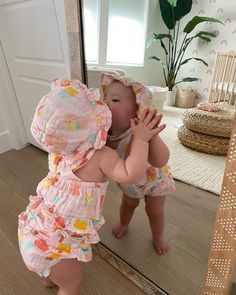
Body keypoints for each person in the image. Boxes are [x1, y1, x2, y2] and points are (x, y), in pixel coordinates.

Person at [18, 78, 161, 295]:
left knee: (54, 271)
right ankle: (60, 282)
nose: (105, 105)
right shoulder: (102, 156)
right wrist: (140, 139)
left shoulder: (59, 151)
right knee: (71, 284)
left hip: (34, 234)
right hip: (56, 245)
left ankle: (50, 279)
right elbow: (132, 174)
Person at [100, 73, 175, 255]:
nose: (106, 103)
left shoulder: (142, 132)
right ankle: (124, 223)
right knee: (127, 205)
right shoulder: (102, 133)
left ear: (136, 111)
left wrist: (152, 136)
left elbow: (161, 160)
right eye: (105, 97)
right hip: (129, 185)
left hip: (154, 182)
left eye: (115, 99)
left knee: (154, 211)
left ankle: (158, 236)